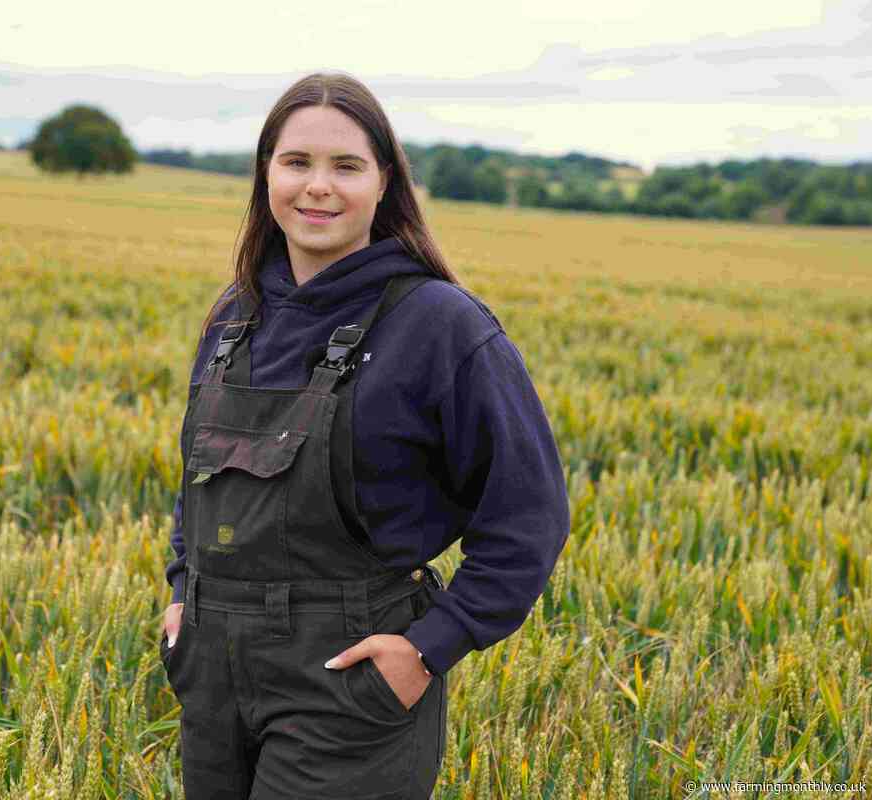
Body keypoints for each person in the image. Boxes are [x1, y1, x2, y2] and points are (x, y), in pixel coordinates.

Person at [158, 71, 570, 799]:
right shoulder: (234, 316)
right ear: (266, 176)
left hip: (350, 678)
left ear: (385, 183)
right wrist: (184, 591)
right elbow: (199, 479)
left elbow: (528, 513)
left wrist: (428, 648)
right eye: (297, 162)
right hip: (213, 674)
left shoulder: (441, 325)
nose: (318, 187)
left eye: (346, 166)